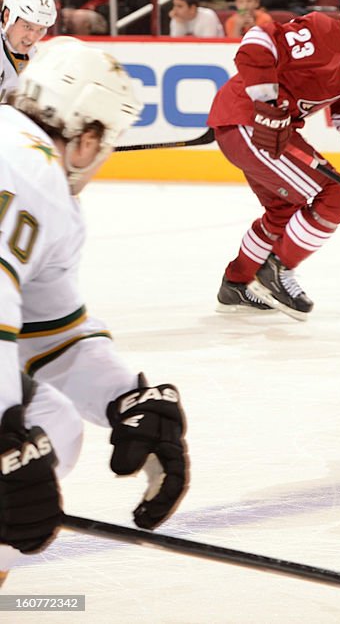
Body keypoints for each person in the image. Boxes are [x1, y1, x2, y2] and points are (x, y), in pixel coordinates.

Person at [0, 37, 189, 582]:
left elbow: (51, 336)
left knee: (47, 422)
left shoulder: (22, 160)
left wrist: (126, 396)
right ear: (86, 140)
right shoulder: (35, 172)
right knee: (40, 430)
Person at [206, 0, 340, 320]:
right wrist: (265, 101)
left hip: (268, 129)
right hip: (249, 120)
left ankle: (236, 283)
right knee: (338, 195)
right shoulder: (321, 30)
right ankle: (277, 271)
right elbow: (259, 38)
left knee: (282, 211)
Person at [0, 0, 56, 102]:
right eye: (27, 27)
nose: (32, 38)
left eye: (40, 29)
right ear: (7, 16)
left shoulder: (35, 57)